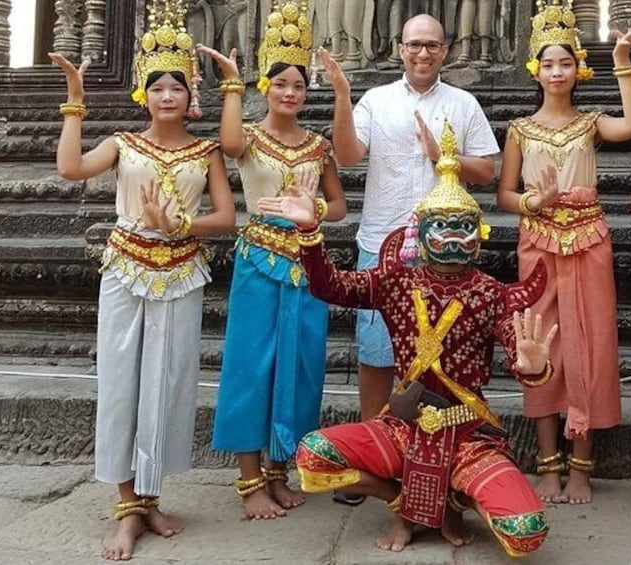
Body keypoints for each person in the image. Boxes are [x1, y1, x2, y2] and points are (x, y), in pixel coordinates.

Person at [259, 121, 556, 557]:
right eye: (442, 226)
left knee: (526, 529)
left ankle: (452, 503)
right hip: (402, 427)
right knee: (313, 455)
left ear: (479, 236)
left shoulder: (491, 293)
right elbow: (331, 287)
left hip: (468, 435)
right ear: (420, 232)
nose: (454, 237)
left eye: (464, 227)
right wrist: (310, 234)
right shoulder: (397, 281)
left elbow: (519, 352)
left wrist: (533, 368)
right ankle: (404, 505)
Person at [50, 0, 235, 560]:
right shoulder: (124, 145)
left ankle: (151, 499)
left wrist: (181, 222)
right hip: (126, 269)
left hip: (181, 270)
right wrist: (75, 105)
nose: (167, 97)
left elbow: (225, 218)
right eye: (157, 88)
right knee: (123, 385)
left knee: (168, 385)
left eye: (176, 88)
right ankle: (126, 508)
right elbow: (70, 169)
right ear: (143, 93)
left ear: (188, 94)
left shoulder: (206, 152)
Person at [197, 0, 347, 521]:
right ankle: (249, 479)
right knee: (252, 365)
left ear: (307, 92)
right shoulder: (250, 139)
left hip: (307, 261)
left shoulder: (317, 145)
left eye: (298, 85)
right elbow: (229, 139)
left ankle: (281, 470)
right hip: (260, 261)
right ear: (267, 87)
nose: (289, 92)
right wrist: (233, 84)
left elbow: (341, 206)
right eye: (280, 83)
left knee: (301, 365)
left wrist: (314, 209)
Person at [320, 12, 500, 444]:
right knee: (378, 353)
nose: (423, 53)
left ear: (446, 51)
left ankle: (431, 454)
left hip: (446, 251)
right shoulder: (376, 101)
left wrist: (443, 157)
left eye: (432, 45)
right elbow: (346, 156)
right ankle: (372, 448)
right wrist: (343, 95)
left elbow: (487, 171)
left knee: (442, 356)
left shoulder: (462, 104)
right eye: (415, 44)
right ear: (400, 48)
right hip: (384, 242)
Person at [497, 0, 631, 504]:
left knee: (589, 342)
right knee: (538, 342)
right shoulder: (520, 128)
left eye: (566, 62)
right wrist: (534, 200)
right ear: (535, 70)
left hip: (588, 241)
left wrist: (623, 61)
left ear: (578, 67)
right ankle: (547, 463)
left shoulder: (591, 124)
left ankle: (582, 464)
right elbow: (504, 195)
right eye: (548, 62)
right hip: (538, 240)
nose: (557, 71)